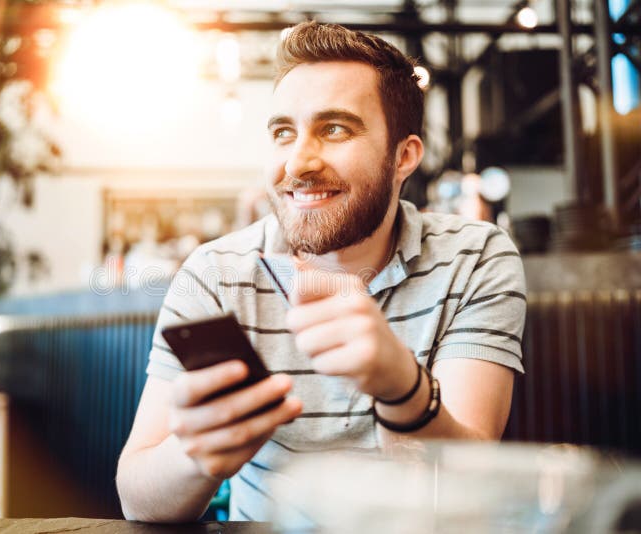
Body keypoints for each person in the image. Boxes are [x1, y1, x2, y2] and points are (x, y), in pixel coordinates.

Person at [116, 21, 526, 522]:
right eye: (283, 132)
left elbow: (463, 492)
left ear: (404, 157)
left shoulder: (476, 258)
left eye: (334, 129)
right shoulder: (215, 274)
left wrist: (402, 388)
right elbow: (136, 497)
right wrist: (196, 456)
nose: (297, 163)